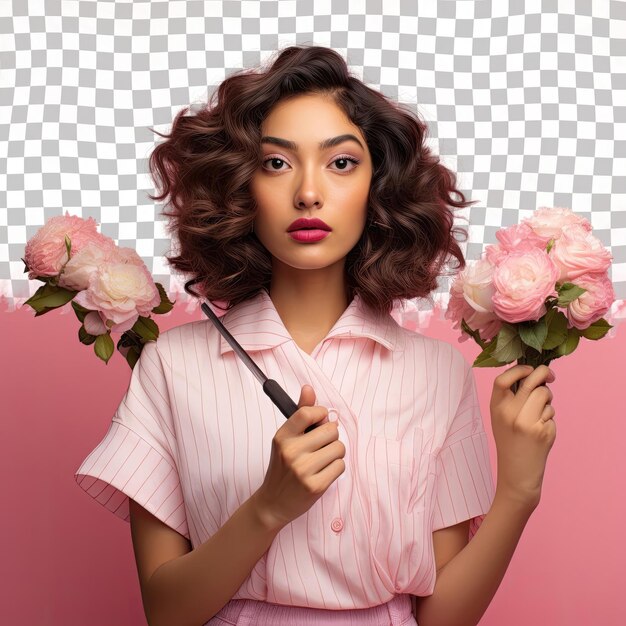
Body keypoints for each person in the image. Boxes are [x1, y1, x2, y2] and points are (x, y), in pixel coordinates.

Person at [74, 45, 556, 626]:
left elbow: (441, 619)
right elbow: (166, 614)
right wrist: (270, 507)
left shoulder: (438, 373)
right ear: (239, 186)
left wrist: (518, 494)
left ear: (379, 186)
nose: (308, 192)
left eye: (341, 163)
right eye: (276, 163)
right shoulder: (172, 366)